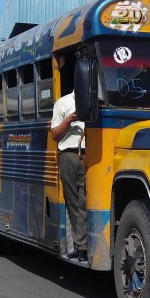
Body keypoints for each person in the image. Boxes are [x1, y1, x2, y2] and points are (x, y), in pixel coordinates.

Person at [51, 91, 87, 261]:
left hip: (90, 154)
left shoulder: (98, 101)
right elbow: (55, 135)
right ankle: (80, 245)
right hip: (69, 155)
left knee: (86, 200)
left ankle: (84, 244)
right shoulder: (63, 103)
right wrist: (68, 121)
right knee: (72, 202)